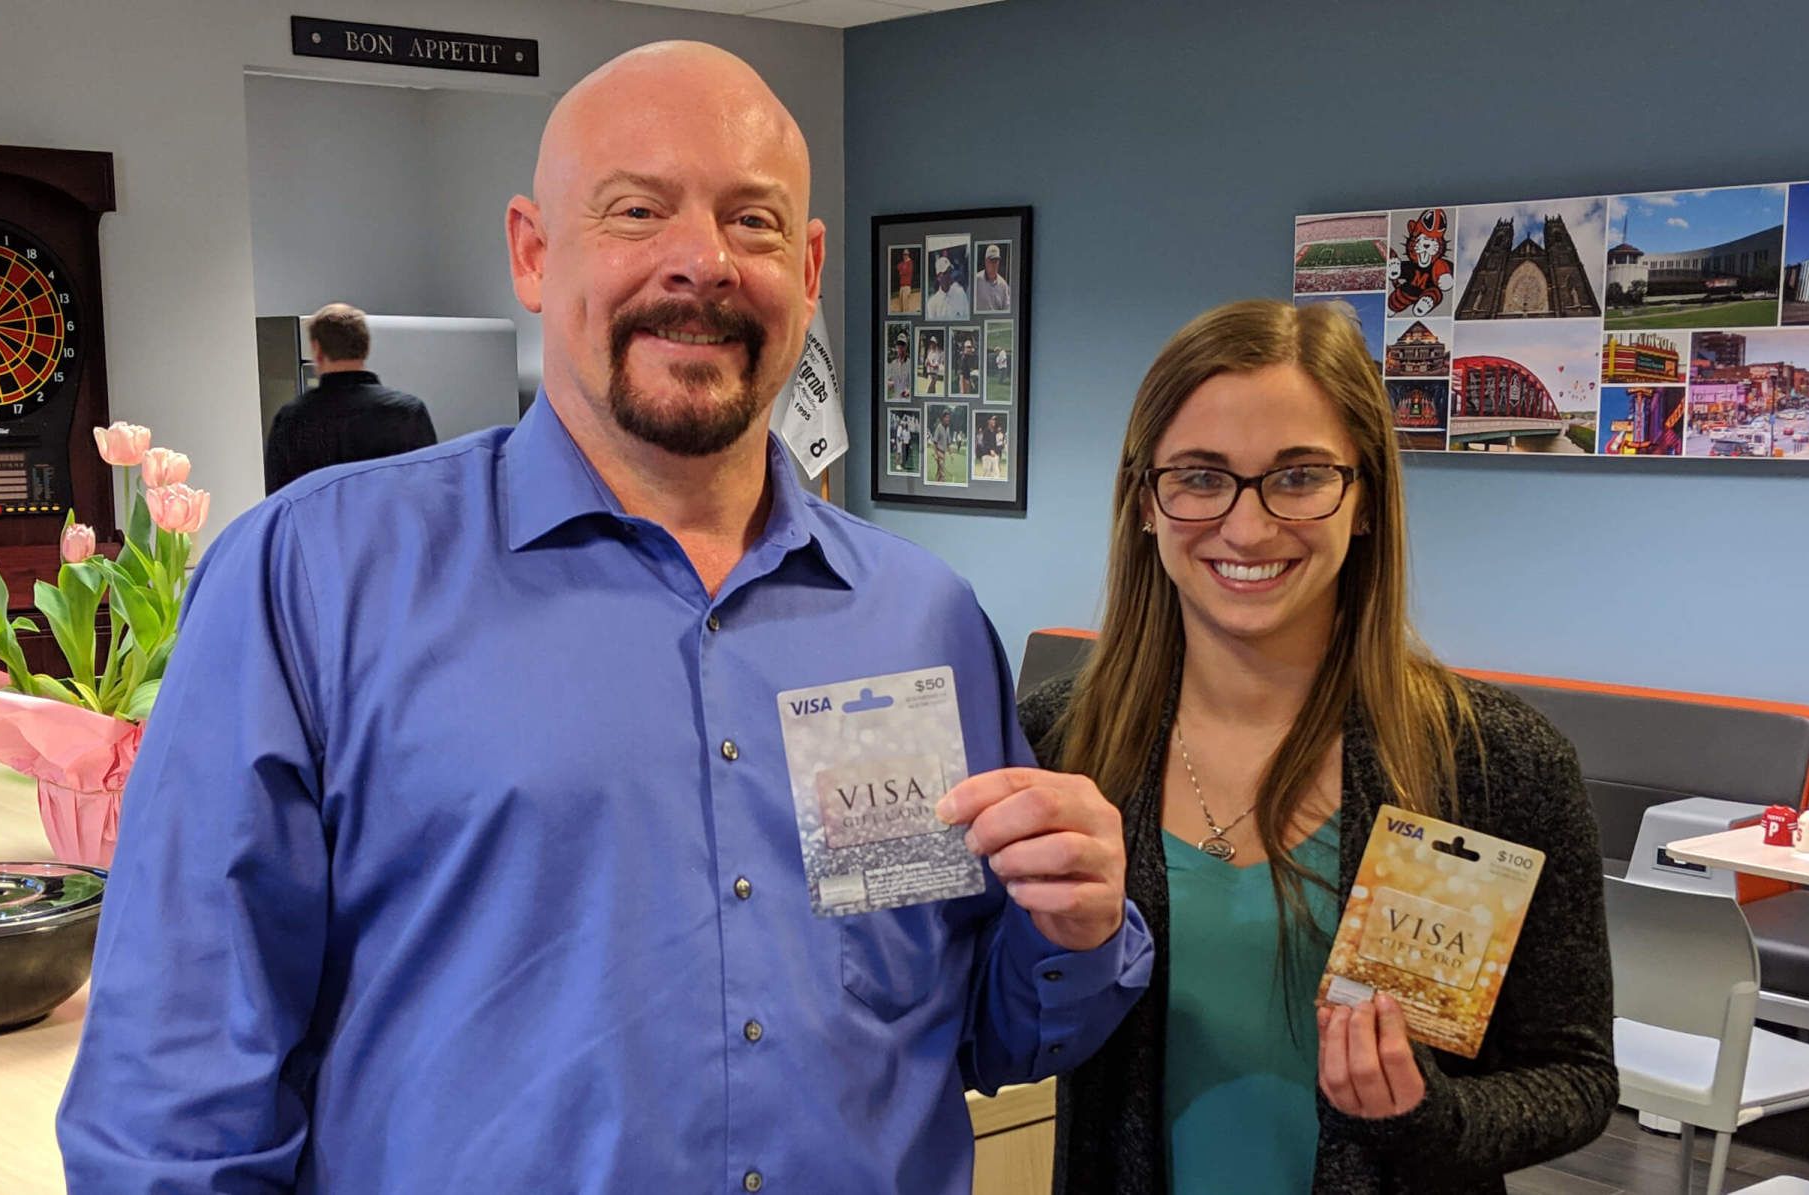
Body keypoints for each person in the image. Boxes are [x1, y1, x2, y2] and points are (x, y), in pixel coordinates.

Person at [57, 41, 1150, 1194]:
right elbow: (175, 1099)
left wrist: (1068, 931)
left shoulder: (916, 619)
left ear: (812, 265)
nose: (702, 263)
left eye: (755, 222)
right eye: (638, 211)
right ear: (532, 253)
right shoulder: (313, 582)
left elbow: (971, 1032)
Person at [1022, 300, 1614, 1193]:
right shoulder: (1057, 745)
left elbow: (1576, 1075)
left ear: (1366, 498)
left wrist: (1430, 1117)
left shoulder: (1495, 763)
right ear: (1145, 502)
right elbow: (992, 1023)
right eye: (1200, 476)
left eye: (1299, 477)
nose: (1249, 527)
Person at [261, 302, 438, 493]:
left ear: (317, 350)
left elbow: (279, 501)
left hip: (321, 523)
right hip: (388, 523)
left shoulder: (291, 420)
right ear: (366, 346)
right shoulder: (407, 412)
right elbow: (428, 491)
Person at [927, 252, 970, 319]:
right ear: (939, 277)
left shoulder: (960, 293)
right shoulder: (932, 303)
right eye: (946, 273)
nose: (949, 275)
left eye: (950, 271)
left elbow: (968, 318)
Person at [974, 242, 1011, 312]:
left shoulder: (1003, 285)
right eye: (992, 261)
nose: (994, 264)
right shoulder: (976, 280)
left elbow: (1007, 309)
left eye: (996, 261)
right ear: (986, 261)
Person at [889, 247, 921, 313]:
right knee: (901, 307)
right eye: (904, 254)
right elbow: (898, 267)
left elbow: (907, 272)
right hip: (901, 286)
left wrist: (902, 271)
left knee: (905, 308)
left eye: (906, 254)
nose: (905, 255)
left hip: (907, 286)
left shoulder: (910, 262)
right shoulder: (903, 263)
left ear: (908, 255)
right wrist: (903, 269)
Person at [886, 329, 914, 400]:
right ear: (896, 347)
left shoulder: (911, 364)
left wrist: (909, 391)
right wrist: (889, 383)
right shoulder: (893, 363)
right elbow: (886, 381)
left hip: (907, 400)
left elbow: (914, 385)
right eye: (899, 344)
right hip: (895, 399)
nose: (900, 347)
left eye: (902, 344)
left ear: (906, 346)